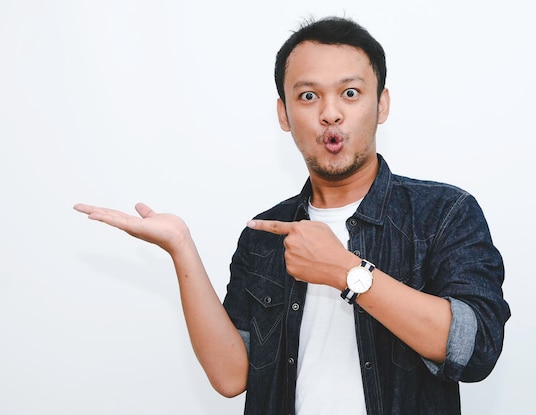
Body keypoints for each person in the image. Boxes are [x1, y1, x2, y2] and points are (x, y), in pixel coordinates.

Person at [74, 16, 510, 415]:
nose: (330, 113)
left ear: (382, 105)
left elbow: (475, 351)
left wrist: (347, 272)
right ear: (284, 113)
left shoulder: (443, 213)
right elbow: (230, 377)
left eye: (351, 93)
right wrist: (181, 247)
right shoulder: (265, 233)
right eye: (308, 96)